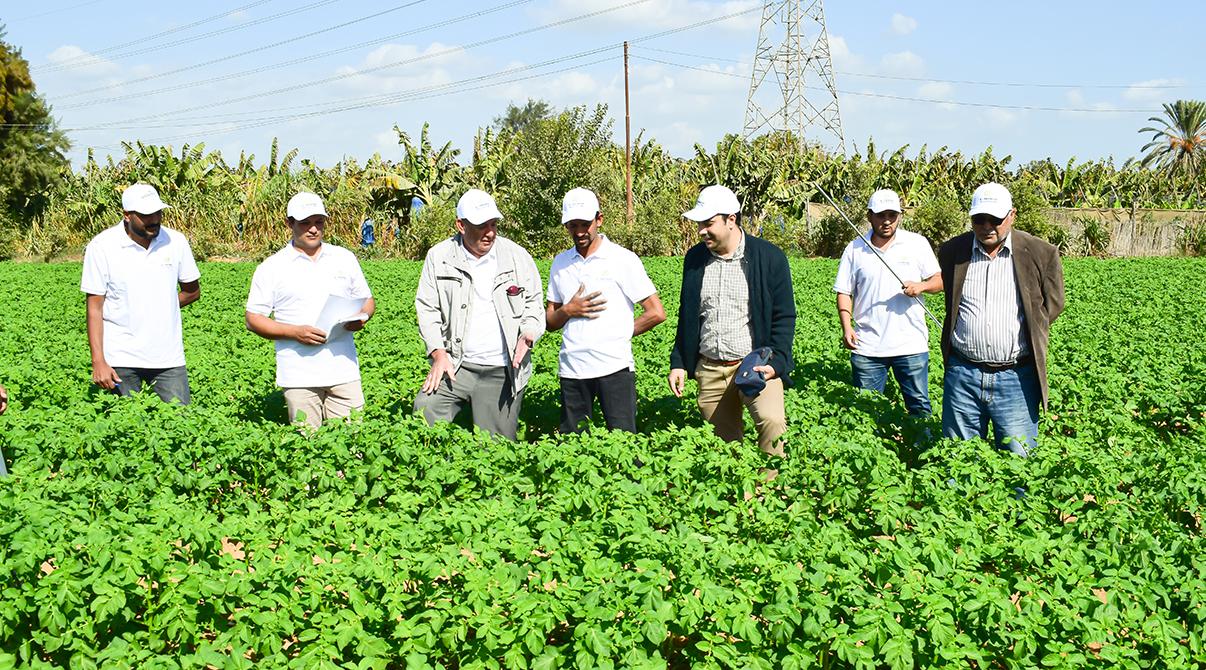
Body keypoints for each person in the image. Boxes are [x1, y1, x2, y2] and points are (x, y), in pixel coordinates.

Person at [668, 185, 796, 458]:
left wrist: (776, 363)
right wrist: (679, 362)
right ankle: (738, 495)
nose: (701, 230)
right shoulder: (695, 259)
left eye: (708, 223)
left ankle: (769, 491)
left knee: (772, 422)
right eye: (699, 223)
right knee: (724, 446)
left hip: (755, 364)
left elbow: (784, 316)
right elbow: (687, 314)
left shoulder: (769, 258)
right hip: (711, 367)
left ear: (731, 220)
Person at [938, 182, 1065, 455]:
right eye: (979, 219)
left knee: (1018, 462)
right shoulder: (952, 252)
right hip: (963, 374)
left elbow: (1053, 305)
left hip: (1015, 377)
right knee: (958, 461)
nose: (987, 226)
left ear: (1012, 215)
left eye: (995, 219)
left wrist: (1024, 329)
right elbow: (952, 300)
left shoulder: (1041, 253)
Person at [413, 189, 544, 440]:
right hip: (456, 364)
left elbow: (534, 303)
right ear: (461, 225)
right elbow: (427, 308)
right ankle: (441, 474)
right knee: (425, 412)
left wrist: (528, 333)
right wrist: (438, 353)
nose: (490, 232)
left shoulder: (516, 257)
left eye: (493, 224)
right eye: (481, 226)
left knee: (496, 449)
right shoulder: (439, 257)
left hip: (502, 368)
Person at [245, 192, 376, 430]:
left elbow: (367, 300)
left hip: (344, 369)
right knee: (308, 449)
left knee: (353, 443)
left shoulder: (343, 258)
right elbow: (253, 319)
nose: (313, 229)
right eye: (305, 223)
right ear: (290, 224)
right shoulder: (272, 267)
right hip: (299, 374)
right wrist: (295, 333)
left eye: (318, 222)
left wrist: (362, 317)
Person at [546, 188, 666, 433]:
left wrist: (620, 334)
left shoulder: (622, 259)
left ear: (599, 220)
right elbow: (550, 321)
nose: (579, 231)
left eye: (585, 224)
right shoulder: (560, 263)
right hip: (573, 368)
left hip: (614, 368)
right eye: (572, 225)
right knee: (572, 447)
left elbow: (656, 312)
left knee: (623, 443)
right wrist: (568, 310)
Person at [80, 183, 201, 404]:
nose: (154, 219)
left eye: (158, 212)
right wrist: (98, 361)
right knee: (120, 426)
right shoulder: (102, 246)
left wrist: (159, 306)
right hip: (120, 357)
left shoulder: (176, 242)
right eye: (146, 215)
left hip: (168, 357)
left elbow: (192, 292)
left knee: (180, 425)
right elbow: (94, 308)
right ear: (127, 215)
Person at [834, 189, 943, 416]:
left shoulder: (916, 244)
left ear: (899, 216)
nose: (886, 221)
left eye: (892, 215)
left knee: (919, 407)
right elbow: (844, 291)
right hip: (868, 346)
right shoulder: (855, 248)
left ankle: (919, 449)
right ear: (869, 216)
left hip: (910, 344)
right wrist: (846, 326)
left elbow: (939, 280)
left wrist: (921, 286)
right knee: (867, 410)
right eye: (880, 215)